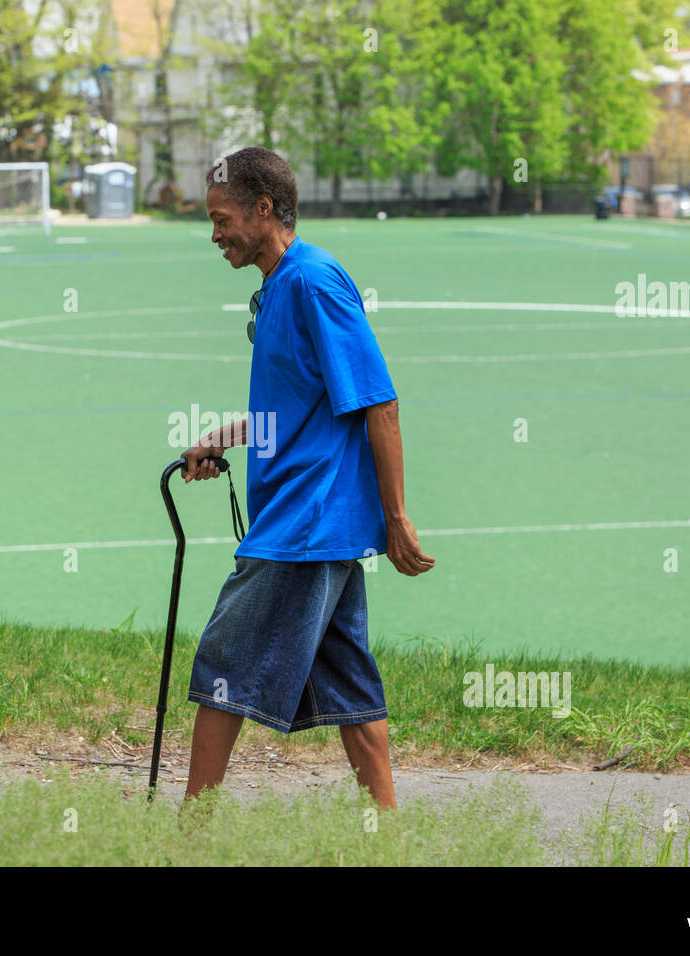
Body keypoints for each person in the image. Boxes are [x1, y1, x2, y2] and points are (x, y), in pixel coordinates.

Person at [181, 146, 434, 810]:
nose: (214, 235)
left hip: (307, 520)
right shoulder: (278, 287)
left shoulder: (314, 283)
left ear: (263, 210)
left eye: (221, 218)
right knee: (347, 684)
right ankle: (387, 830)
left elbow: (378, 400)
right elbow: (295, 404)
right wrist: (223, 438)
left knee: (222, 664)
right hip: (314, 522)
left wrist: (398, 517)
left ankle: (188, 832)